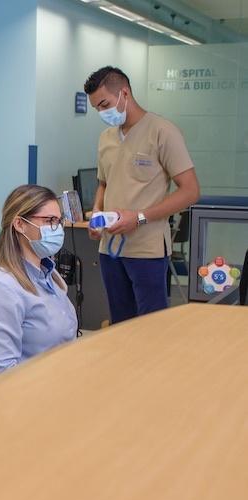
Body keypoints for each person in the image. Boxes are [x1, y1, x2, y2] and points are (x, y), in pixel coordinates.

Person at [84, 66, 200, 323]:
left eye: (105, 105)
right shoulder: (106, 138)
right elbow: (103, 183)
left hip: (147, 251)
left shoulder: (162, 131)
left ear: (124, 93)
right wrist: (97, 213)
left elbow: (191, 191)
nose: (102, 113)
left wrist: (139, 218)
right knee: (120, 324)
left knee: (150, 327)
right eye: (96, 109)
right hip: (110, 249)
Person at [0, 185, 78, 378]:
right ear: (19, 224)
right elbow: (2, 376)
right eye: (49, 221)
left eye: (59, 221)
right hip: (36, 392)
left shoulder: (47, 275)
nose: (58, 229)